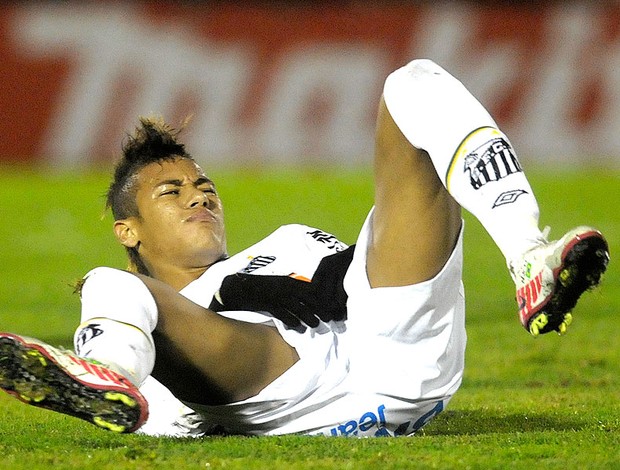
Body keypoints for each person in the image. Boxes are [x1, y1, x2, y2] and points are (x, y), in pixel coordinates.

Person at [0, 59, 609, 437]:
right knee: (112, 286)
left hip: (391, 359)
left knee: (412, 84)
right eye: (171, 190)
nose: (199, 197)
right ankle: (106, 384)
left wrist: (322, 279)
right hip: (284, 394)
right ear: (127, 229)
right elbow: (182, 419)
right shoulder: (146, 316)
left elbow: (365, 276)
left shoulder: (287, 242)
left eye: (204, 186)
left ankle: (530, 255)